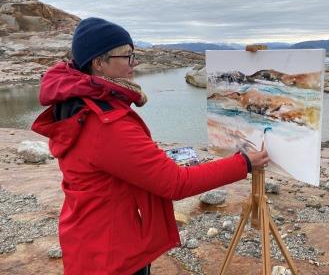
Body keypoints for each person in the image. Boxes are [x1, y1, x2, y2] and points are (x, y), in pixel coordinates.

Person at [31, 17, 270, 275]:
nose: (134, 64)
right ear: (98, 63)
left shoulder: (78, 103)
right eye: (127, 56)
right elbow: (175, 184)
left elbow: (114, 162)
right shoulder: (106, 124)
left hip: (91, 239)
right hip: (113, 255)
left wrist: (150, 160)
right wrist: (244, 163)